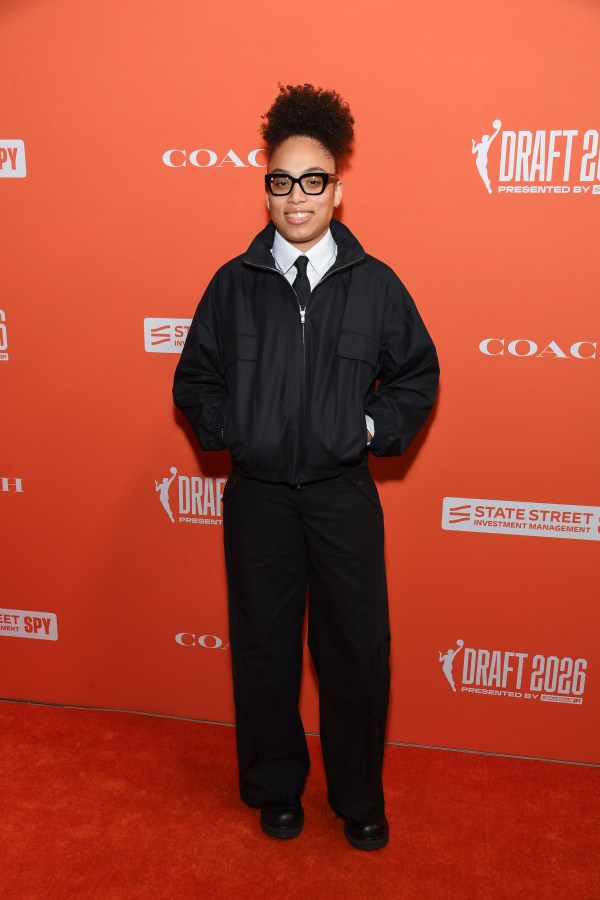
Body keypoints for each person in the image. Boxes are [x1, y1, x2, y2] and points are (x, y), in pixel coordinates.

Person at [173, 83, 439, 850]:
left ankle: (358, 797)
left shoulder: (376, 285)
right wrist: (237, 426)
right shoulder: (234, 285)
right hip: (258, 499)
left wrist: (364, 425)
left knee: (357, 652)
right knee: (264, 649)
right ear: (266, 191)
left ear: (337, 190)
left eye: (313, 180)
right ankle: (274, 787)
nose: (297, 196)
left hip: (340, 497)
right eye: (282, 181)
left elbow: (417, 375)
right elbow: (195, 380)